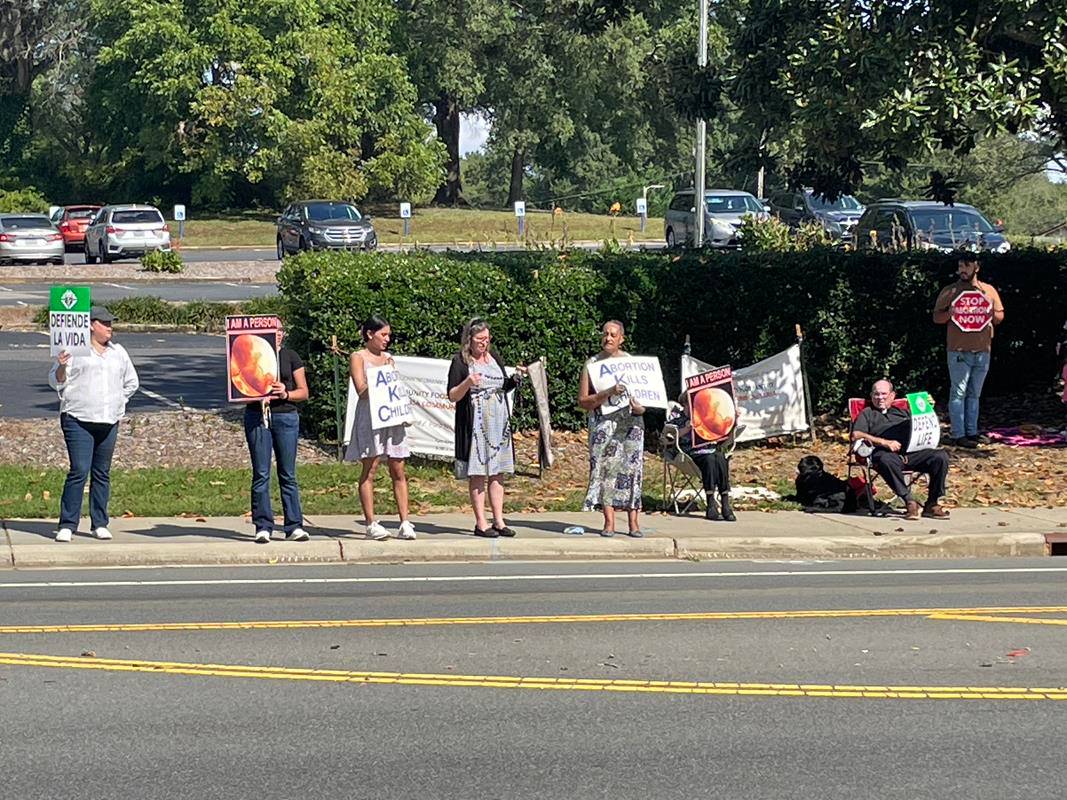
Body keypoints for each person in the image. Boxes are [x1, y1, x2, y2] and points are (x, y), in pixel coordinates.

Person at [48, 305, 139, 543]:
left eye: (111, 323)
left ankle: (99, 523)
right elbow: (56, 381)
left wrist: (118, 401)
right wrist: (61, 365)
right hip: (78, 418)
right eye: (104, 323)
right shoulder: (74, 351)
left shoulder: (118, 352)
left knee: (102, 472)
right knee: (79, 470)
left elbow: (132, 382)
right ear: (90, 325)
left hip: (108, 421)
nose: (110, 328)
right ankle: (67, 524)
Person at [446, 318, 525, 537]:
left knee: (497, 472)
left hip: (498, 422)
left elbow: (502, 385)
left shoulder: (494, 357)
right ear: (469, 339)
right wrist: (468, 382)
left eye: (487, 339)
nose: (484, 343)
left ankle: (498, 520)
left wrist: (515, 379)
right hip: (476, 422)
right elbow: (452, 395)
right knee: (478, 472)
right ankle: (481, 522)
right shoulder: (460, 361)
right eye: (480, 339)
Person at [345, 316, 415, 541]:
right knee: (370, 467)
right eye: (383, 334)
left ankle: (405, 522)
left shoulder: (388, 358)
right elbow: (361, 390)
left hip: (391, 417)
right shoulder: (358, 357)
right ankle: (370, 523)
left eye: (388, 335)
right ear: (370, 334)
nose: (387, 339)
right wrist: (378, 377)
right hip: (371, 417)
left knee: (398, 467)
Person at [577, 320, 645, 537]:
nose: (608, 338)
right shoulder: (592, 364)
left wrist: (640, 408)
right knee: (606, 469)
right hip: (603, 424)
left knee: (632, 469)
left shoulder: (632, 363)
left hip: (631, 424)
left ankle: (634, 523)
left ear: (621, 339)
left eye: (613, 335)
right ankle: (609, 522)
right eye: (605, 334)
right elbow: (583, 400)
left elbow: (644, 399)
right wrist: (608, 392)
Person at [932, 253, 1005, 448]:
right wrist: (950, 313)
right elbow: (937, 317)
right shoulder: (950, 291)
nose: (962, 270)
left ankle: (972, 432)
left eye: (966, 266)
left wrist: (990, 311)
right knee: (958, 392)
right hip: (958, 350)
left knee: (974, 394)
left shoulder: (988, 290)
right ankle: (958, 434)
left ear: (976, 267)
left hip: (982, 350)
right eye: (960, 266)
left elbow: (999, 317)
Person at [244, 325, 308, 544]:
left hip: (286, 416)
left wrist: (286, 393)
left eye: (280, 329)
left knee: (287, 473)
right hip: (257, 415)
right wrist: (254, 391)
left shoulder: (290, 356)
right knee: (261, 473)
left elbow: (303, 392)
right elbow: (239, 389)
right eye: (273, 329)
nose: (277, 333)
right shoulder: (253, 356)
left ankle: (294, 525)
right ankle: (263, 526)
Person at [851, 379, 950, 520]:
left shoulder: (903, 413)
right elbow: (856, 434)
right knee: (886, 459)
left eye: (884, 394)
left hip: (911, 453)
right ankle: (909, 501)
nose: (880, 398)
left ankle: (932, 503)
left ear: (892, 395)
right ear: (871, 396)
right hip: (885, 454)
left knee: (940, 456)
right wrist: (884, 442)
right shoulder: (867, 413)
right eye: (876, 394)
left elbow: (922, 425)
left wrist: (927, 408)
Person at [666, 393, 736, 521]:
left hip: (711, 451)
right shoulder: (677, 420)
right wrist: (686, 428)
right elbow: (667, 439)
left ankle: (725, 502)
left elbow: (725, 439)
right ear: (685, 404)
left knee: (720, 457)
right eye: (691, 404)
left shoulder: (706, 418)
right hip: (690, 455)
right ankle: (711, 503)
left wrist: (733, 421)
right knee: (709, 459)